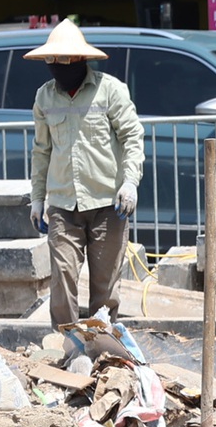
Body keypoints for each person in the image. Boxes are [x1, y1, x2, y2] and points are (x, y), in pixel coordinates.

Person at [26, 19, 144, 330]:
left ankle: (102, 343)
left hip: (108, 203)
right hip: (64, 204)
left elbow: (132, 137)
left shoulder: (110, 91)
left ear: (81, 60)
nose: (57, 67)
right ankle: (69, 342)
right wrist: (37, 199)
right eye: (51, 61)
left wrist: (130, 182)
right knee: (62, 276)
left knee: (105, 287)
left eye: (63, 60)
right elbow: (41, 151)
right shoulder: (44, 98)